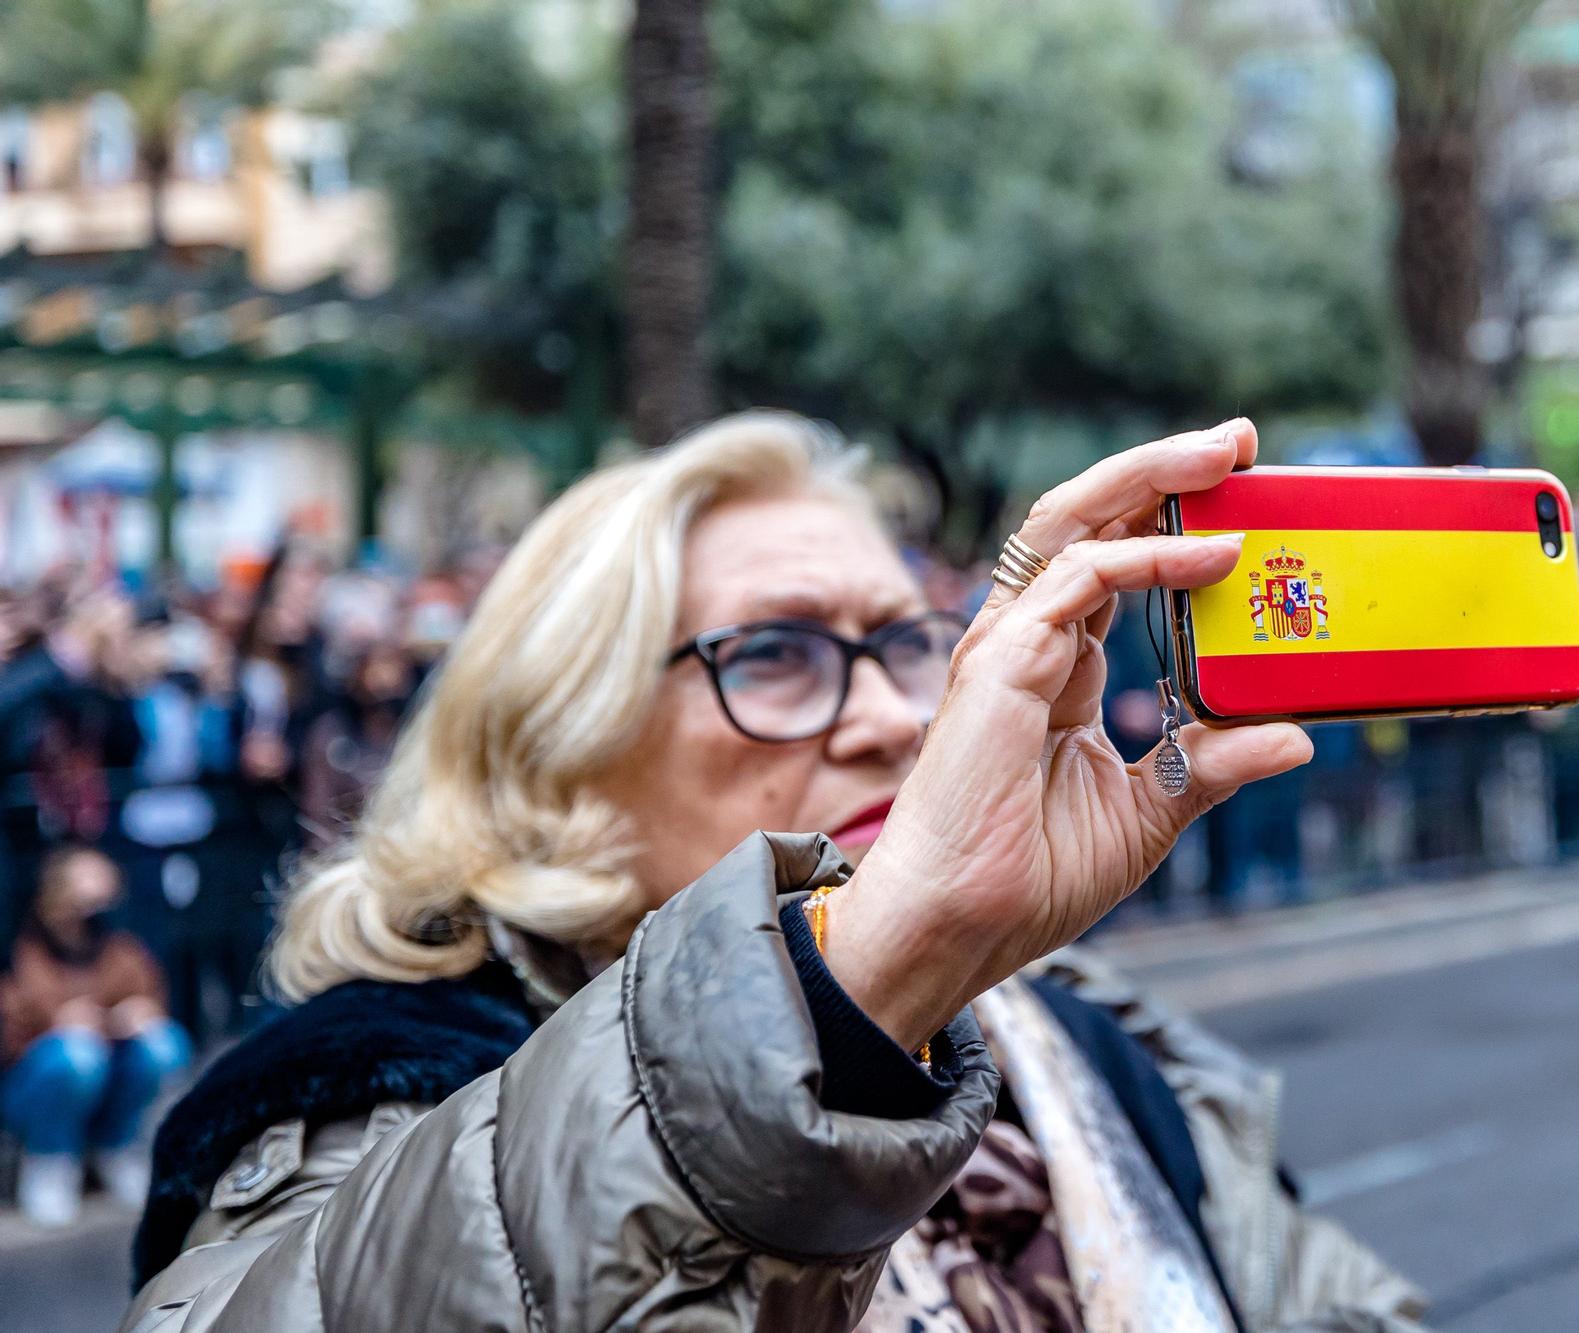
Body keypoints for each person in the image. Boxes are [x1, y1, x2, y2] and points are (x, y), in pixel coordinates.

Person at [127, 414, 1425, 1332]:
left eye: (909, 641)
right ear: (558, 752)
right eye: (775, 655)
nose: (893, 718)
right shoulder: (369, 1090)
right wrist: (839, 1009)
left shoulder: (1081, 1036)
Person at [1, 845, 190, 1226]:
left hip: (109, 1069)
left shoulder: (116, 941)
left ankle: (115, 1147)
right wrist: (56, 1024)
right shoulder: (21, 945)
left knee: (164, 1043)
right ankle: (50, 1159)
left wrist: (136, 1012)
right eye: (87, 882)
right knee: (76, 1054)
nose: (99, 895)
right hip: (29, 1082)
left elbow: (148, 993)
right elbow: (11, 1029)